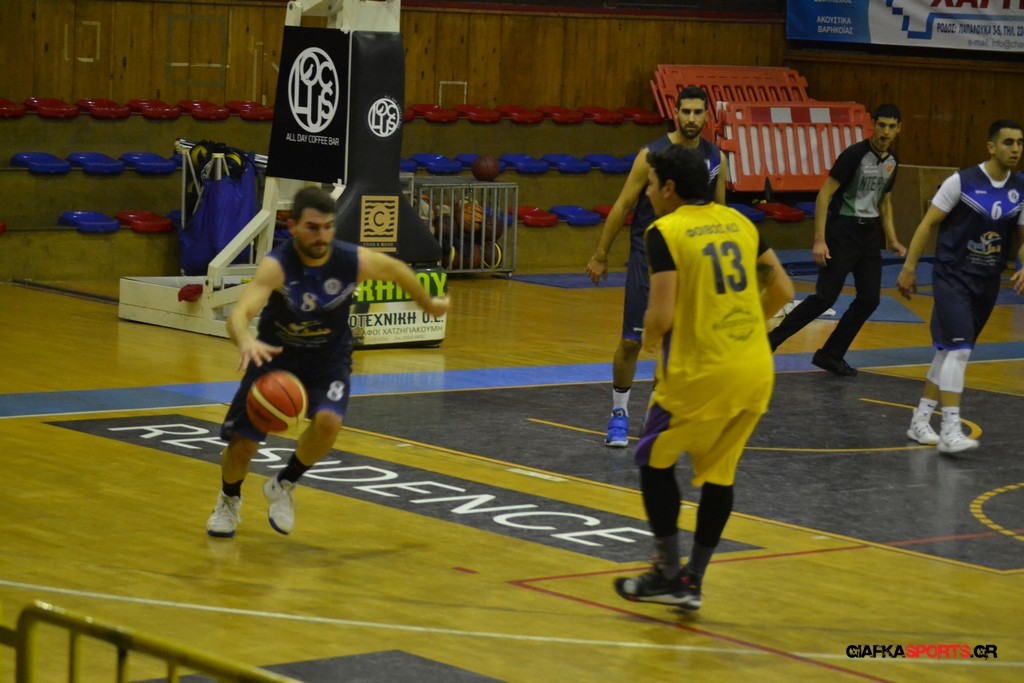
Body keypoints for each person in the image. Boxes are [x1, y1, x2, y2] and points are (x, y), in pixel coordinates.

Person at [206, 187, 450, 537]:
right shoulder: (278, 264)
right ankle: (229, 499)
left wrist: (428, 304)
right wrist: (244, 339)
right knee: (242, 445)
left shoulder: (351, 260)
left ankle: (284, 483)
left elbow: (397, 270)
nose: (321, 236)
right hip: (275, 356)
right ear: (293, 226)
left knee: (329, 423)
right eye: (312, 227)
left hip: (328, 357)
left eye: (328, 227)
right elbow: (240, 313)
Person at [614, 146, 793, 611]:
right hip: (753, 370)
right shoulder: (742, 222)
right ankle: (693, 581)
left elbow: (660, 315)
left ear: (669, 188)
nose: (647, 194)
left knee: (653, 460)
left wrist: (650, 341)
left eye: (651, 186)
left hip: (698, 374)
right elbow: (783, 290)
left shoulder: (665, 231)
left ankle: (668, 575)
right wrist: (742, 326)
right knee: (720, 474)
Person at [586, 86, 726, 447]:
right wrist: (601, 254)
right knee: (631, 341)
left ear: (707, 116)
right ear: (675, 113)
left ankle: (656, 413)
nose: (691, 118)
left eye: (698, 112)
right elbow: (623, 205)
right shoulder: (651, 155)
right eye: (686, 112)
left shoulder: (715, 158)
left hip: (689, 262)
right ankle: (618, 413)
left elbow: (719, 213)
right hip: (648, 258)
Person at [896, 120, 1024, 453]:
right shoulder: (961, 182)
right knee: (960, 350)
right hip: (952, 276)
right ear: (991, 147)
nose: (1015, 149)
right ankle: (950, 429)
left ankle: (920, 420)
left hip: (987, 281)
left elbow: (1023, 240)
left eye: (1020, 143)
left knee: (947, 352)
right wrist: (909, 267)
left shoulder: (1021, 189)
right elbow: (927, 225)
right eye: (1008, 142)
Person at [767, 104, 908, 376]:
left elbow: (885, 202)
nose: (886, 132)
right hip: (843, 230)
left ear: (899, 129)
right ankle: (769, 342)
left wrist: (892, 239)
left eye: (892, 127)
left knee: (869, 299)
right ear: (873, 125)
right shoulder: (854, 155)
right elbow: (824, 195)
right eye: (882, 125)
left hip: (870, 235)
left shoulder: (893, 161)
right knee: (825, 298)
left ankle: (831, 354)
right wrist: (819, 240)